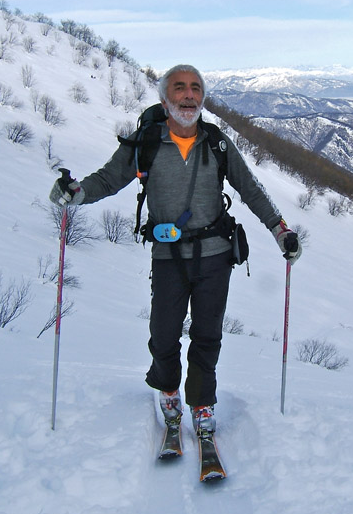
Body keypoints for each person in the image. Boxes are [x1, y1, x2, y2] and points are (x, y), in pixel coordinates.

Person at [49, 64, 301, 438]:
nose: (189, 95)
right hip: (168, 256)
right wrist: (77, 194)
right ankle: (168, 390)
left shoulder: (216, 143)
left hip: (215, 254)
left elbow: (249, 188)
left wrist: (280, 230)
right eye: (180, 88)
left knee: (207, 334)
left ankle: (201, 403)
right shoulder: (146, 143)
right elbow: (108, 178)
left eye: (195, 88)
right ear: (165, 99)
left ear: (203, 97)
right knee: (163, 333)